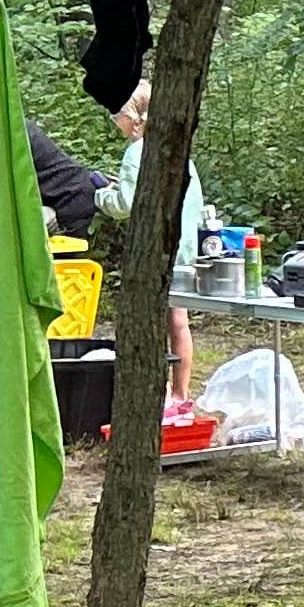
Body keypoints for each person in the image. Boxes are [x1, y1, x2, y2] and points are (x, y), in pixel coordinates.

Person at [108, 78, 211, 395]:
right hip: (186, 247)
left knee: (155, 320)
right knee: (179, 320)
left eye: (118, 114)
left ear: (135, 117)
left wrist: (100, 195)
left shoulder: (136, 152)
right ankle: (180, 393)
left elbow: (124, 204)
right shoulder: (175, 149)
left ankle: (163, 392)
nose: (115, 120)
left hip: (159, 250)